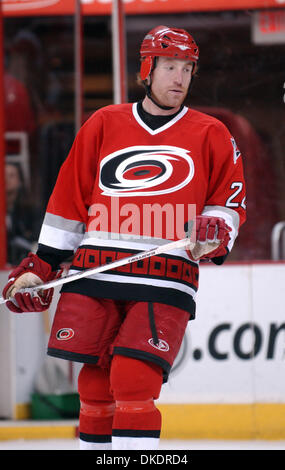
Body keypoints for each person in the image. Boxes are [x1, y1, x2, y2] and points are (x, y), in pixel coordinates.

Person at [2, 26, 246, 450]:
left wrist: (215, 227)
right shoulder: (104, 123)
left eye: (187, 69)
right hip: (94, 271)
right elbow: (69, 199)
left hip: (165, 276)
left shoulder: (211, 133)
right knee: (94, 387)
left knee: (134, 379)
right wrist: (42, 263)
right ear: (146, 71)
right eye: (169, 67)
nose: (179, 78)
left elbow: (229, 200)